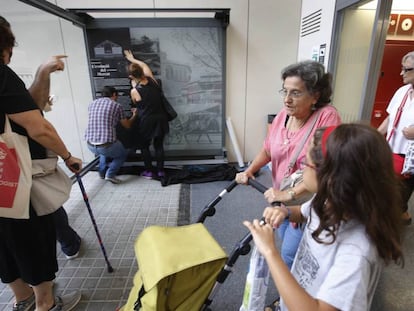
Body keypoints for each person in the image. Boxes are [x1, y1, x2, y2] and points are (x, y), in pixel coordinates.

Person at [244, 124, 404, 311]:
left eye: (305, 164)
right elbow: (304, 213)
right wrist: (286, 212)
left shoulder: (356, 252)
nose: (301, 171)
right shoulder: (330, 201)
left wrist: (271, 252)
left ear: (331, 177)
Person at [0, 23, 82, 311]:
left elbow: (26, 107)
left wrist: (42, 72)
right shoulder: (1, 75)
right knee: (32, 240)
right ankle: (45, 304)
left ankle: (22, 300)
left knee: (5, 242)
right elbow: (38, 127)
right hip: (13, 178)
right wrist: (69, 155)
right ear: (6, 47)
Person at [235, 60, 341, 271]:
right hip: (280, 197)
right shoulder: (284, 115)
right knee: (290, 244)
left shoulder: (327, 117)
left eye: (296, 93)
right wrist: (249, 170)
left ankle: (295, 299)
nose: (287, 99)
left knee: (290, 255)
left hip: (309, 202)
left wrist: (290, 194)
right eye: (284, 91)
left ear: (315, 95)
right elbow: (268, 149)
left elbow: (325, 168)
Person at [378, 51, 414, 226]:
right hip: (393, 151)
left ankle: (395, 221)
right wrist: (376, 136)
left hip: (410, 159)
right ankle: (401, 214)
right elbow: (390, 118)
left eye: (406, 69)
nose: (401, 73)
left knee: (398, 193)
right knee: (389, 189)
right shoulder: (402, 91)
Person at [124, 49, 169, 179]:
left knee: (144, 146)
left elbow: (137, 104)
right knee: (159, 146)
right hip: (161, 119)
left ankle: (149, 171)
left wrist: (134, 86)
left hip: (146, 121)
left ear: (131, 77)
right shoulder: (153, 81)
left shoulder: (134, 91)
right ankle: (161, 171)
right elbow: (144, 65)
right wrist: (132, 59)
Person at [84, 85, 137, 184]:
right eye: (117, 96)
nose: (117, 98)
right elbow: (127, 125)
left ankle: (101, 173)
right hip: (105, 146)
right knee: (122, 153)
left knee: (102, 151)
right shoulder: (116, 106)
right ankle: (110, 174)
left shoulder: (92, 104)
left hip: (90, 144)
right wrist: (134, 115)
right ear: (114, 94)